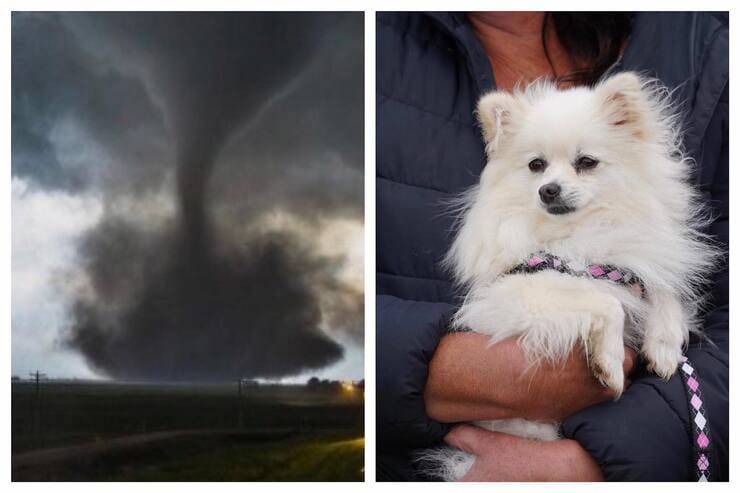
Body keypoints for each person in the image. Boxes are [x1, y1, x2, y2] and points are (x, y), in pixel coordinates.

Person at [377, 11, 728, 481]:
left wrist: (605, 465)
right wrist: (447, 373)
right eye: (538, 165)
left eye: (584, 163)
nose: (553, 184)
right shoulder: (374, 39)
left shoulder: (704, 37)